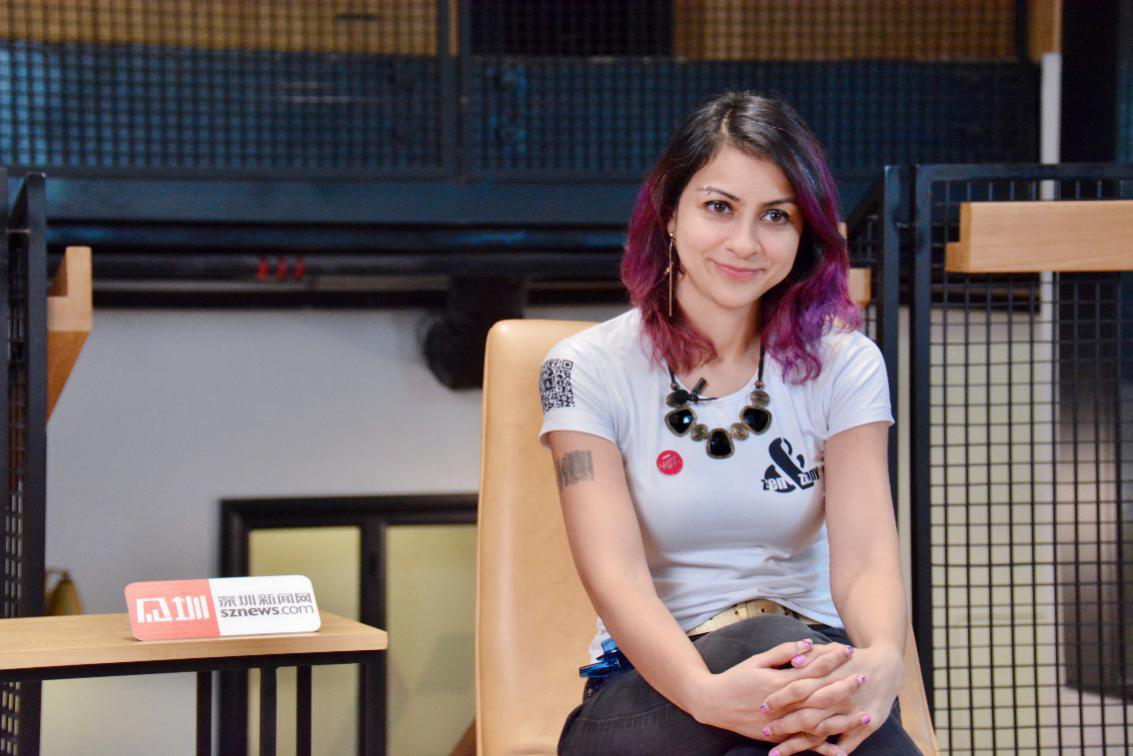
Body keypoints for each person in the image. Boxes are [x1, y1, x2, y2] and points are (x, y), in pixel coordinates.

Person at [538, 91, 921, 756]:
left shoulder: (846, 363)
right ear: (670, 212)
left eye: (775, 216)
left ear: (804, 234)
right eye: (719, 207)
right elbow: (615, 574)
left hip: (813, 672)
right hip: (652, 698)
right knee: (779, 653)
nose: (745, 243)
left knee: (781, 709)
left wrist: (884, 659)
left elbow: (864, 560)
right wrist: (706, 694)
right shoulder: (581, 368)